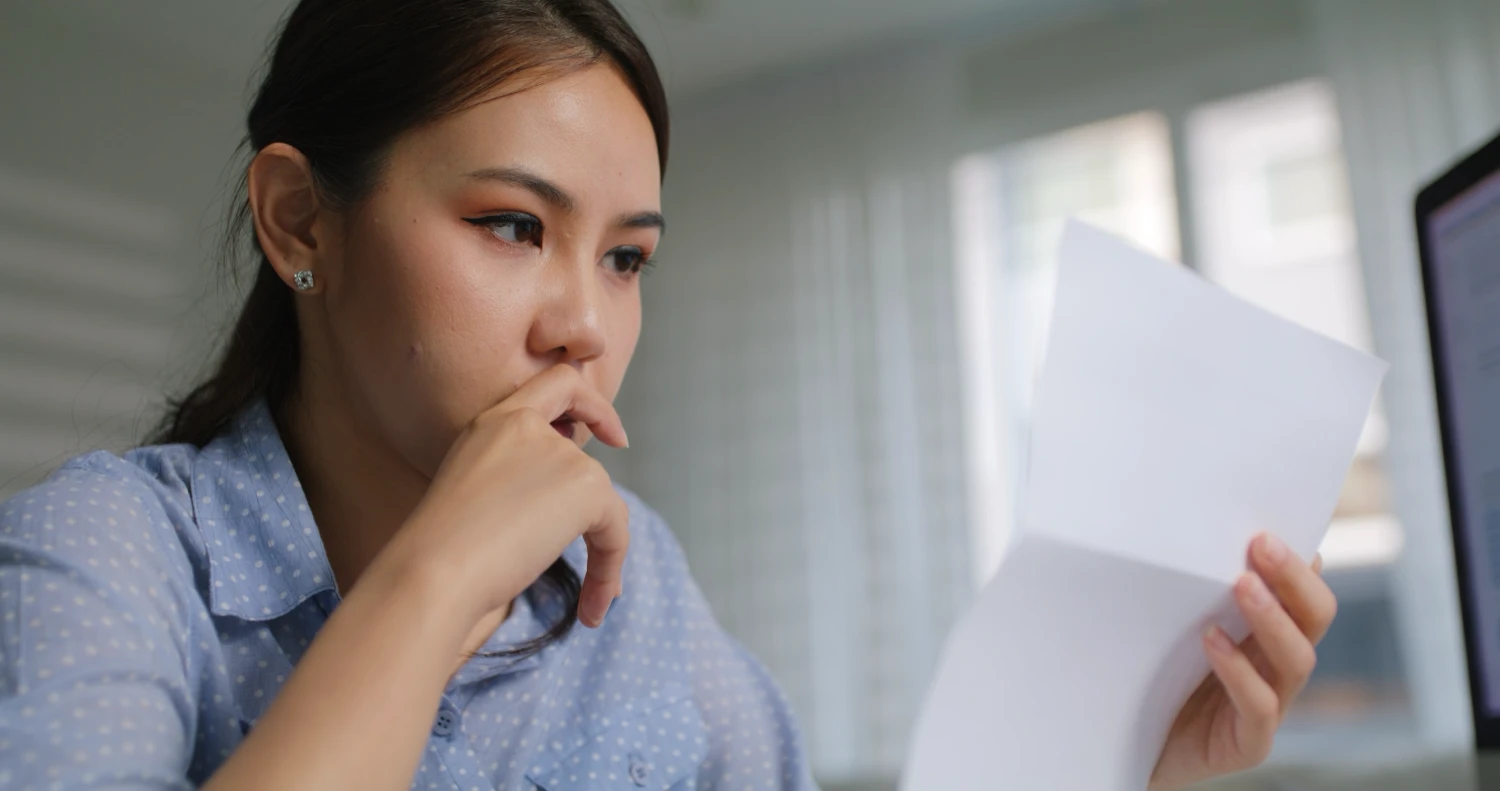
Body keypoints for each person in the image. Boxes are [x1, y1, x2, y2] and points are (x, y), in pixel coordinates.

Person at [0, 1, 1338, 788]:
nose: (586, 322)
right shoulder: (109, 551)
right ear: (301, 220)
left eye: (627, 256)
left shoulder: (642, 599)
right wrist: (436, 573)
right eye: (512, 227)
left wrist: (1127, 765)